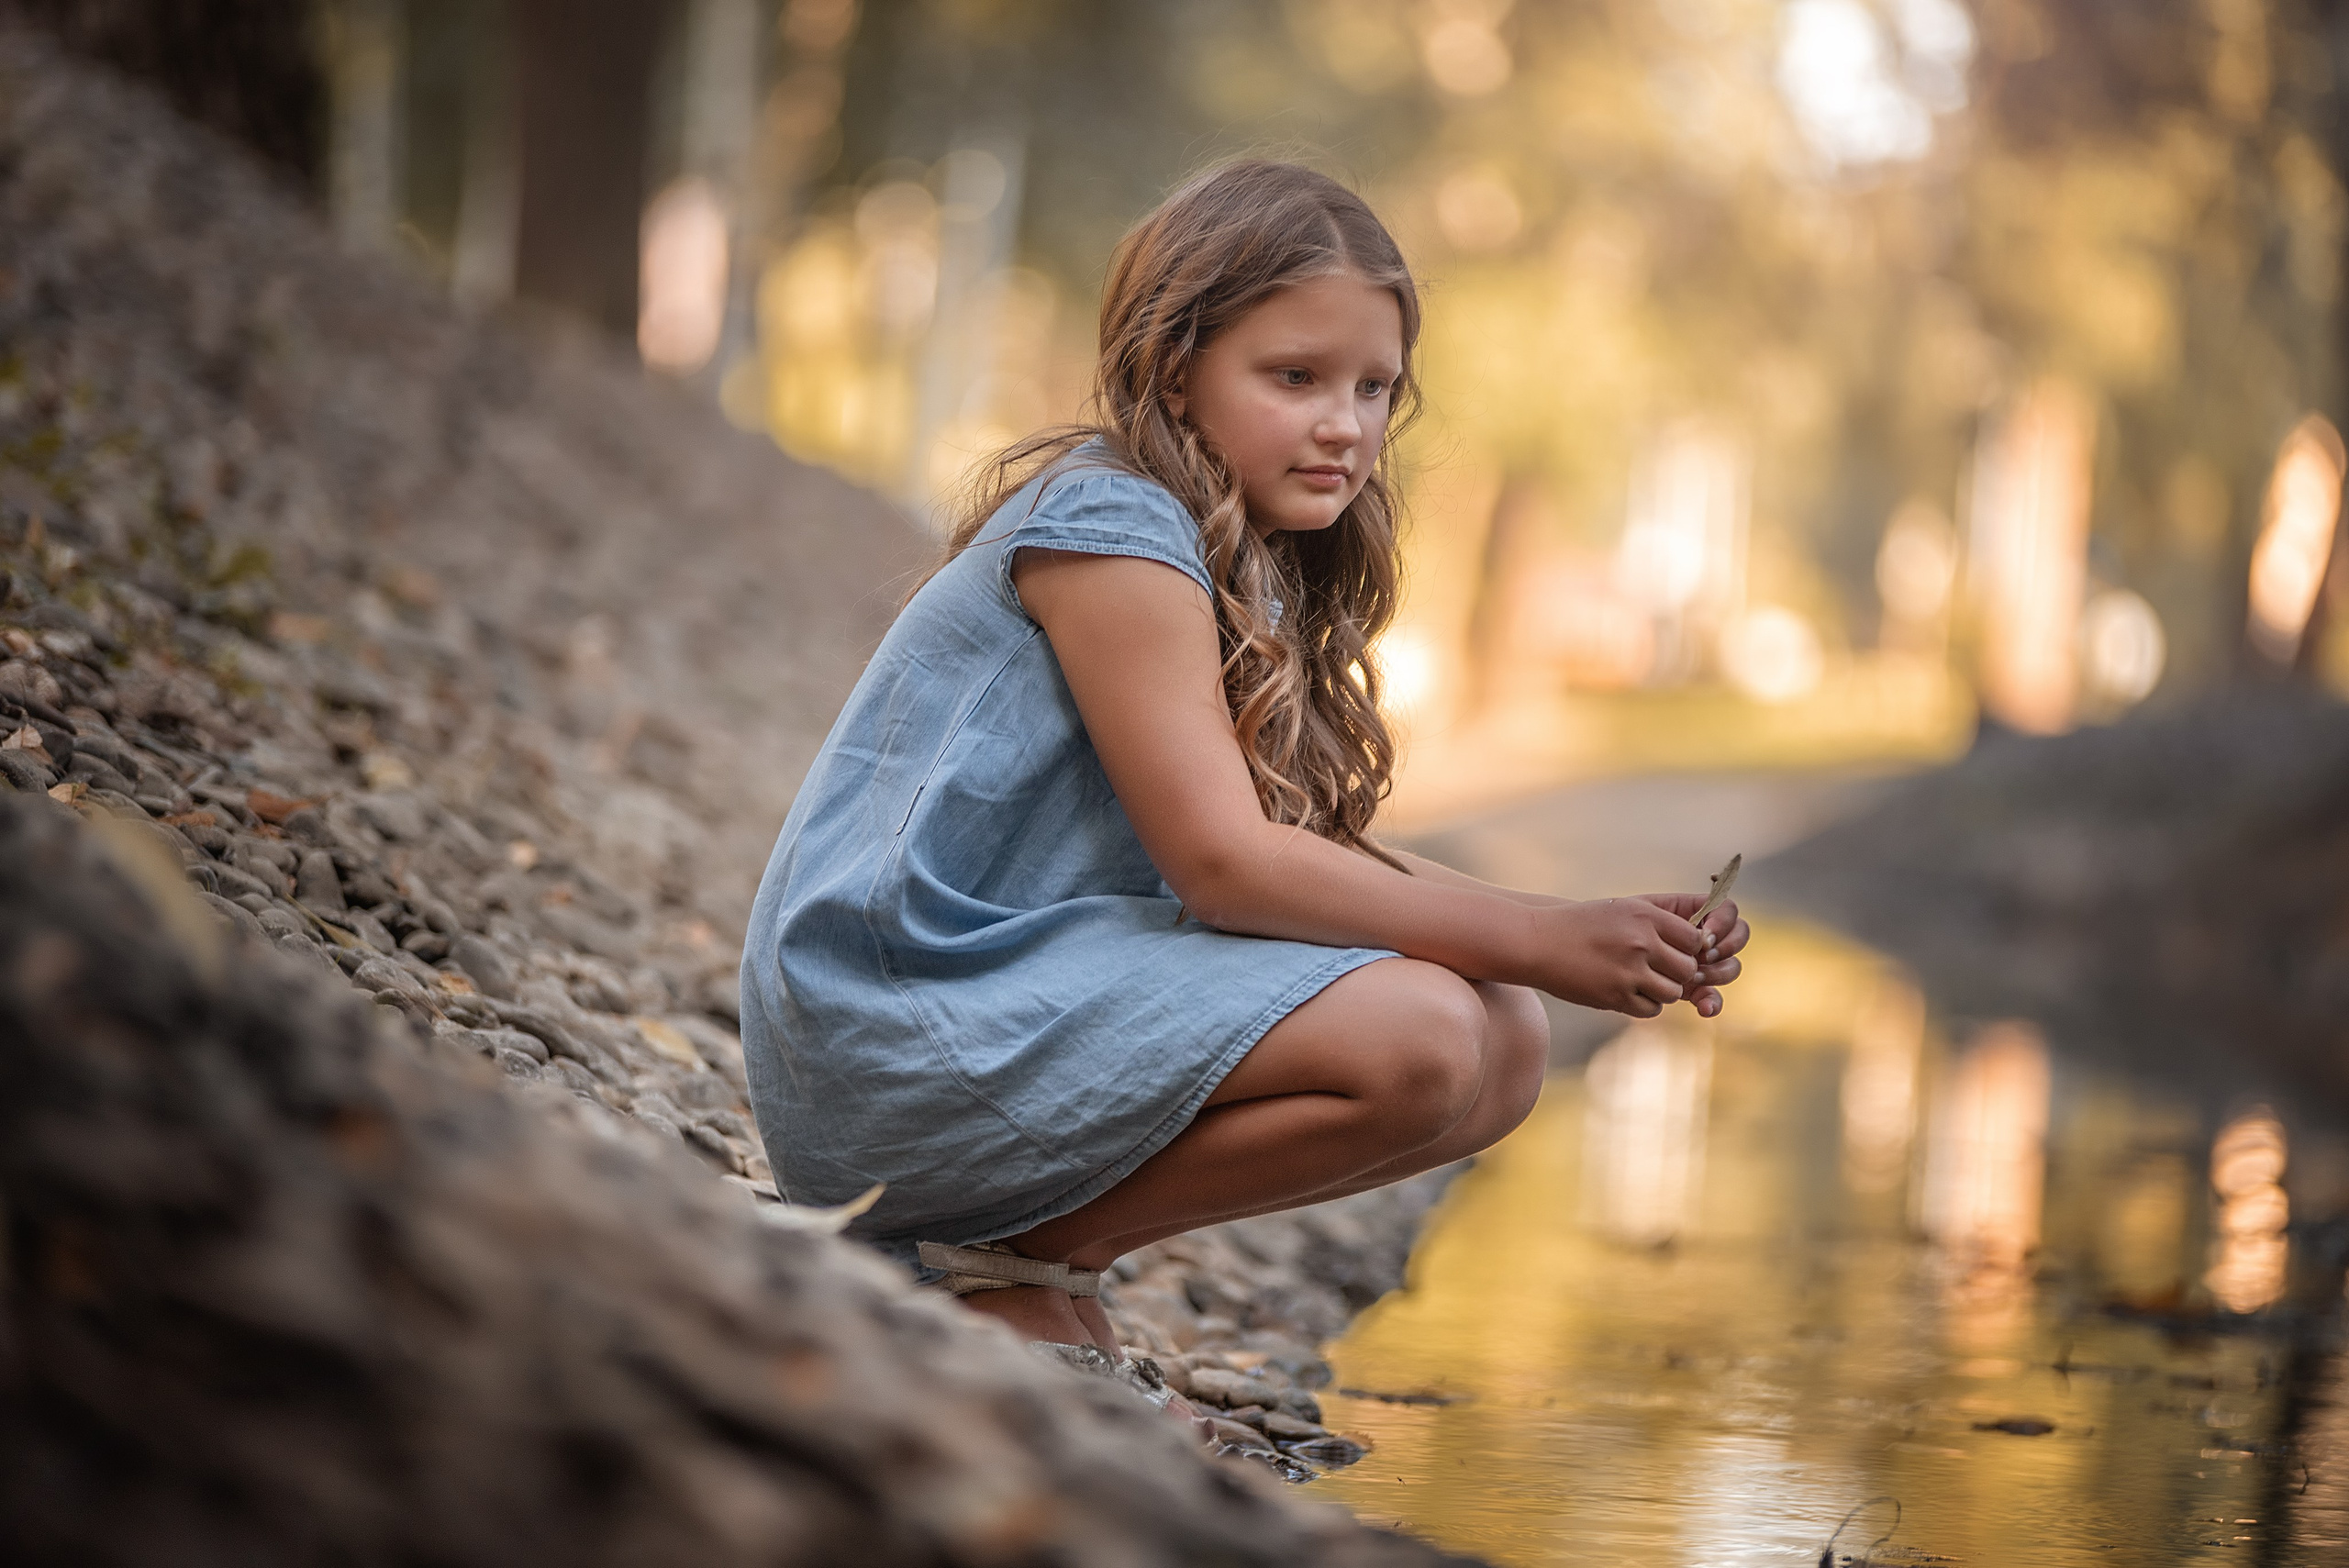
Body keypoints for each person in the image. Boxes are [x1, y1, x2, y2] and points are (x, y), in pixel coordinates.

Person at [739, 160, 1748, 1354]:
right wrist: (1536, 934)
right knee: (1427, 1032)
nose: (1346, 423)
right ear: (1176, 368)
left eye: (1375, 387)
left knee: (1510, 1041)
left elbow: (1297, 858)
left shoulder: (1223, 547)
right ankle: (1001, 1264)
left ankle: (1026, 1259)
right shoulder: (1112, 524)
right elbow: (1226, 865)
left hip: (995, 997)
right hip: (892, 1021)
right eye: (1296, 377)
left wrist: (1580, 922)